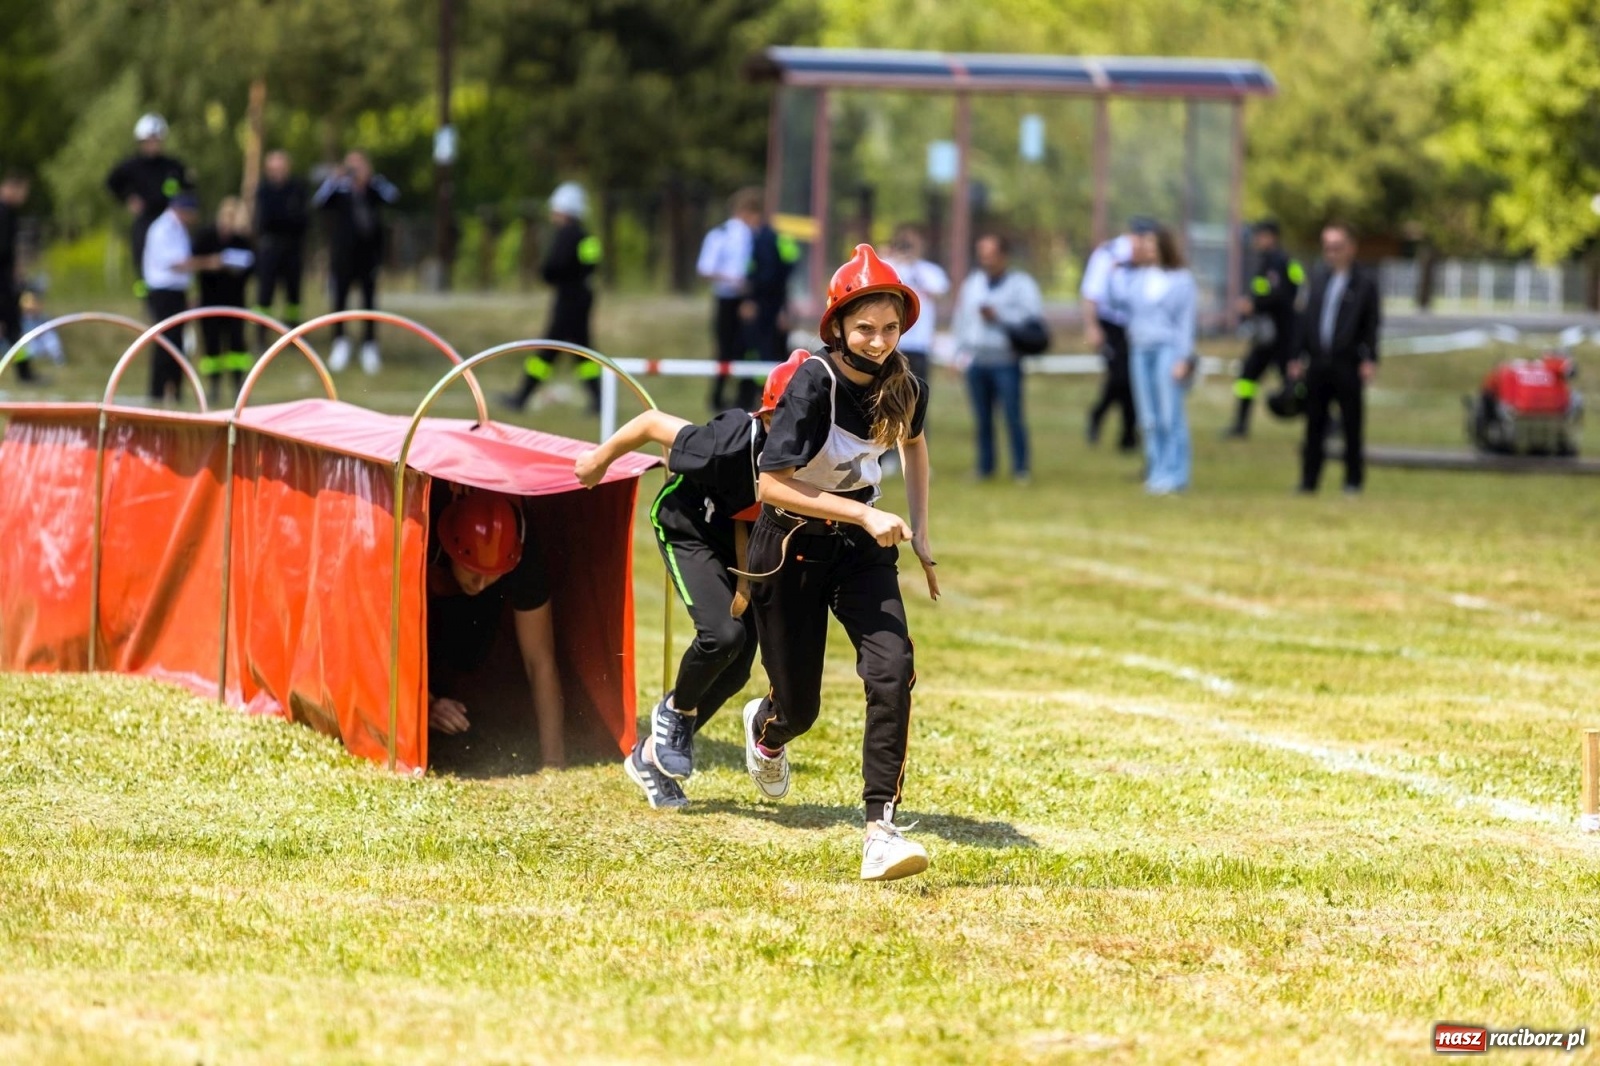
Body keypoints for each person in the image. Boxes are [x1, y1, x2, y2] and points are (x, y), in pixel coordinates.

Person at [742, 244, 939, 883]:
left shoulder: (906, 384)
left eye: (889, 328)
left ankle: (879, 828)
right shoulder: (813, 383)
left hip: (861, 552)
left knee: (893, 671)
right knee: (799, 709)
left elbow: (914, 445)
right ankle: (767, 728)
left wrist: (923, 531)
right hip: (790, 546)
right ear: (837, 328)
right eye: (864, 328)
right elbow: (770, 485)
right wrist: (863, 513)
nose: (878, 341)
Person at [573, 353, 805, 809]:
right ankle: (674, 713)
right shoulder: (728, 442)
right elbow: (652, 422)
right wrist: (598, 460)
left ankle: (650, 757)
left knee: (736, 668)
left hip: (743, 542)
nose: (799, 433)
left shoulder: (816, 453)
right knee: (722, 636)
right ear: (768, 414)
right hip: (690, 528)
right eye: (789, 420)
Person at [427, 488, 566, 769]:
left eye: (490, 576)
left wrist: (554, 760)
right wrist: (425, 704)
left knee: (470, 650)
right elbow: (385, 636)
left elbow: (540, 660)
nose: (479, 585)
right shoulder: (423, 530)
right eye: (473, 572)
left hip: (476, 626)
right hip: (430, 593)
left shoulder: (526, 558)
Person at [1294, 223, 1381, 495]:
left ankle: (1352, 481)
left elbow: (1372, 326)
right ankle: (1309, 481)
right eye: (1327, 247)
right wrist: (1298, 356)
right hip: (1319, 363)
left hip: (1348, 363)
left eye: (1337, 247)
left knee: (1351, 424)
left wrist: (1370, 359)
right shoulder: (1318, 280)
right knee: (1314, 424)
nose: (1331, 253)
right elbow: (1306, 321)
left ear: (1350, 248)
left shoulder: (1364, 284)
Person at [502, 182, 603, 413]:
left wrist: (547, 274)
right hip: (583, 298)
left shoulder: (565, 235)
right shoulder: (587, 236)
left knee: (549, 350)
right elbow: (592, 265)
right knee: (583, 353)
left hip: (568, 301)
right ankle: (599, 401)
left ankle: (521, 398)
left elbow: (553, 267)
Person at [952, 233, 1042, 482]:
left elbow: (1032, 317)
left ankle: (1020, 467)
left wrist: (999, 316)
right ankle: (985, 467)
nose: (986, 260)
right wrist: (957, 353)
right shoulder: (972, 284)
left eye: (990, 255)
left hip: (1006, 360)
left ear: (1003, 256)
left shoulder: (1021, 284)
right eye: (982, 255)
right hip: (978, 360)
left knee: (1013, 415)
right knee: (982, 418)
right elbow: (961, 319)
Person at [1124, 224, 1198, 495]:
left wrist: (1184, 357)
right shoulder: (1136, 278)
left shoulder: (1181, 279)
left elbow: (1185, 323)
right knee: (1149, 417)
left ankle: (1177, 473)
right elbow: (1114, 302)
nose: (1148, 249)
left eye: (1152, 244)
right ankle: (1156, 471)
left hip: (1167, 349)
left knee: (1170, 414)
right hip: (1140, 349)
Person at [314, 150, 399, 375]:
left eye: (358, 165)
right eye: (351, 166)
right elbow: (318, 202)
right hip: (342, 255)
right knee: (339, 298)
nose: (354, 170)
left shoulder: (374, 185)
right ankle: (340, 342)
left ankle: (369, 344)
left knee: (369, 300)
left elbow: (393, 196)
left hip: (368, 255)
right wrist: (335, 178)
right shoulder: (338, 188)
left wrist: (369, 179)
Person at [1225, 220, 1305, 439]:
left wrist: (1255, 305)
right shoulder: (1267, 261)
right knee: (1247, 376)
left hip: (1282, 336)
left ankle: (1327, 422)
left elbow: (1283, 296)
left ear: (1271, 236)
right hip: (1266, 336)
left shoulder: (1280, 261)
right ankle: (1240, 425)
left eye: (1259, 235)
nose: (1256, 240)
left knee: (1293, 383)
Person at [1080, 219, 1153, 452]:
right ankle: (1099, 414)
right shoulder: (1108, 254)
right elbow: (1092, 292)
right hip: (1110, 323)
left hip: (1137, 324)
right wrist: (1092, 326)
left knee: (1133, 378)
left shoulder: (1151, 260)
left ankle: (1128, 434)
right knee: (1120, 377)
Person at [141, 191, 221, 403]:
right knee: (166, 342)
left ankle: (175, 392)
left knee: (178, 343)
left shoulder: (179, 229)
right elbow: (175, 263)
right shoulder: (162, 229)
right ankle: (157, 392)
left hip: (177, 292)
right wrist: (207, 263)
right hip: (163, 292)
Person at [105, 114, 192, 298]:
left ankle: (174, 290)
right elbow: (112, 182)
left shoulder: (172, 165)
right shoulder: (131, 165)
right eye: (148, 140)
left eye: (156, 140)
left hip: (168, 219)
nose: (152, 144)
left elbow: (188, 186)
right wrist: (128, 198)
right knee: (141, 253)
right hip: (145, 218)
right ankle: (146, 293)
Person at [697, 189, 758, 412]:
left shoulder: (753, 235)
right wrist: (733, 280)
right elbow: (706, 268)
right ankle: (718, 397)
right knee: (725, 350)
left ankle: (744, 397)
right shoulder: (721, 234)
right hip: (727, 298)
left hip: (746, 298)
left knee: (745, 349)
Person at [192, 197, 257, 403]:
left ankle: (239, 385)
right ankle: (214, 386)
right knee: (211, 345)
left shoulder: (242, 240)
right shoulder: (205, 236)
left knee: (237, 344)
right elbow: (192, 262)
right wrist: (213, 263)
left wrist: (239, 268)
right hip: (209, 299)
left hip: (235, 301)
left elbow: (253, 267)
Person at [740, 197, 800, 410]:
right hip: (776, 305)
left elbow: (767, 276)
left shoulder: (763, 240)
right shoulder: (778, 238)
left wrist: (751, 299)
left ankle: (763, 395)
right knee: (773, 350)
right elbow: (790, 268)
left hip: (766, 306)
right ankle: (775, 393)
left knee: (761, 350)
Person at [883, 223, 950, 392]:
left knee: (917, 392)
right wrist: (894, 258)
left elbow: (939, 292)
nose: (908, 247)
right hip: (891, 341)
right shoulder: (888, 266)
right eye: (904, 242)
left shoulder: (930, 271)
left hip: (919, 342)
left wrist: (913, 265)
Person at [253, 150, 310, 346]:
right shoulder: (263, 190)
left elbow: (302, 220)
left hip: (292, 249)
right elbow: (264, 221)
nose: (277, 173)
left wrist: (285, 221)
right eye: (273, 169)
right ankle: (261, 334)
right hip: (270, 249)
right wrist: (286, 219)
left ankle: (293, 332)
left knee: (293, 294)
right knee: (265, 293)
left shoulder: (297, 189)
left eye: (281, 168)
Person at [0, 172, 32, 383]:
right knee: (12, 326)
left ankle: (25, 373)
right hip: (2, 282)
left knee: (14, 327)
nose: (24, 197)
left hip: (6, 280)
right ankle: (25, 373)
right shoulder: (3, 213)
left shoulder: (9, 213)